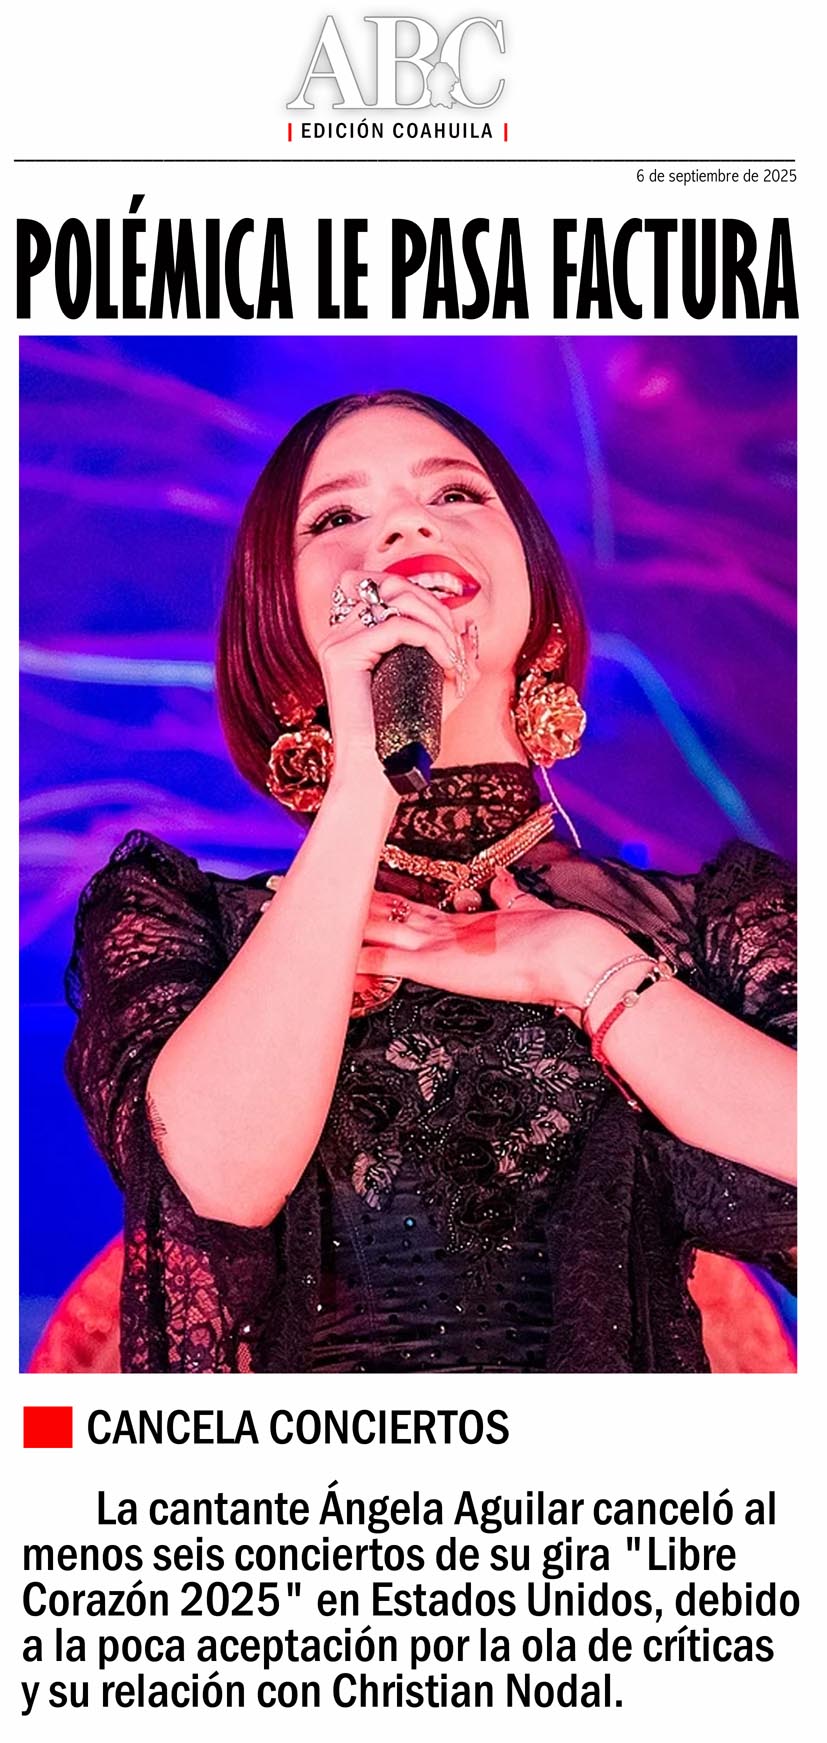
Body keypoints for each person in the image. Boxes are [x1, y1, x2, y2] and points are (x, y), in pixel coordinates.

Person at [65, 389, 796, 1374]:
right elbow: (216, 1185)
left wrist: (584, 966)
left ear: (535, 592)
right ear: (281, 629)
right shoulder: (184, 923)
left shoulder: (709, 923)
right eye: (337, 514)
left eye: (454, 494)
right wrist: (366, 779)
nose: (407, 523)